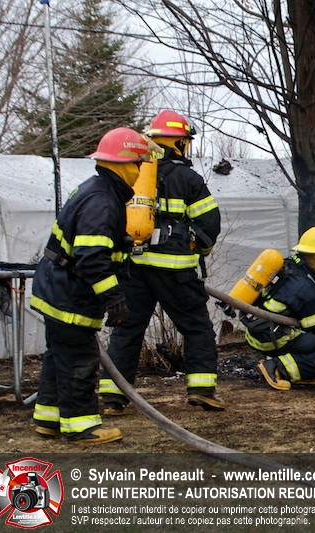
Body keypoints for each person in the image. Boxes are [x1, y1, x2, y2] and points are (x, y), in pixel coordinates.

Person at [31, 127, 158, 444]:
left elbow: (92, 245)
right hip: (70, 294)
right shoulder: (102, 200)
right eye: (138, 163)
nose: (140, 171)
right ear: (124, 164)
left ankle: (49, 418)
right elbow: (91, 258)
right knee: (79, 358)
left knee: (59, 356)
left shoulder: (97, 190)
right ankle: (81, 426)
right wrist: (114, 298)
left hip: (57, 288)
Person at [99, 110, 224, 413]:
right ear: (179, 143)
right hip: (174, 271)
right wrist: (200, 252)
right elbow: (209, 224)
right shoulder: (188, 179)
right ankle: (202, 390)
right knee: (196, 327)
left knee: (127, 330)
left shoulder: (133, 174)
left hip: (133, 267)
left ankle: (114, 396)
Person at [241, 226, 315, 390]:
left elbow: (295, 303)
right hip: (271, 337)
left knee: (312, 341)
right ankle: (275, 367)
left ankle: (301, 373)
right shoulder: (305, 288)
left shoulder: (291, 267)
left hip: (258, 330)